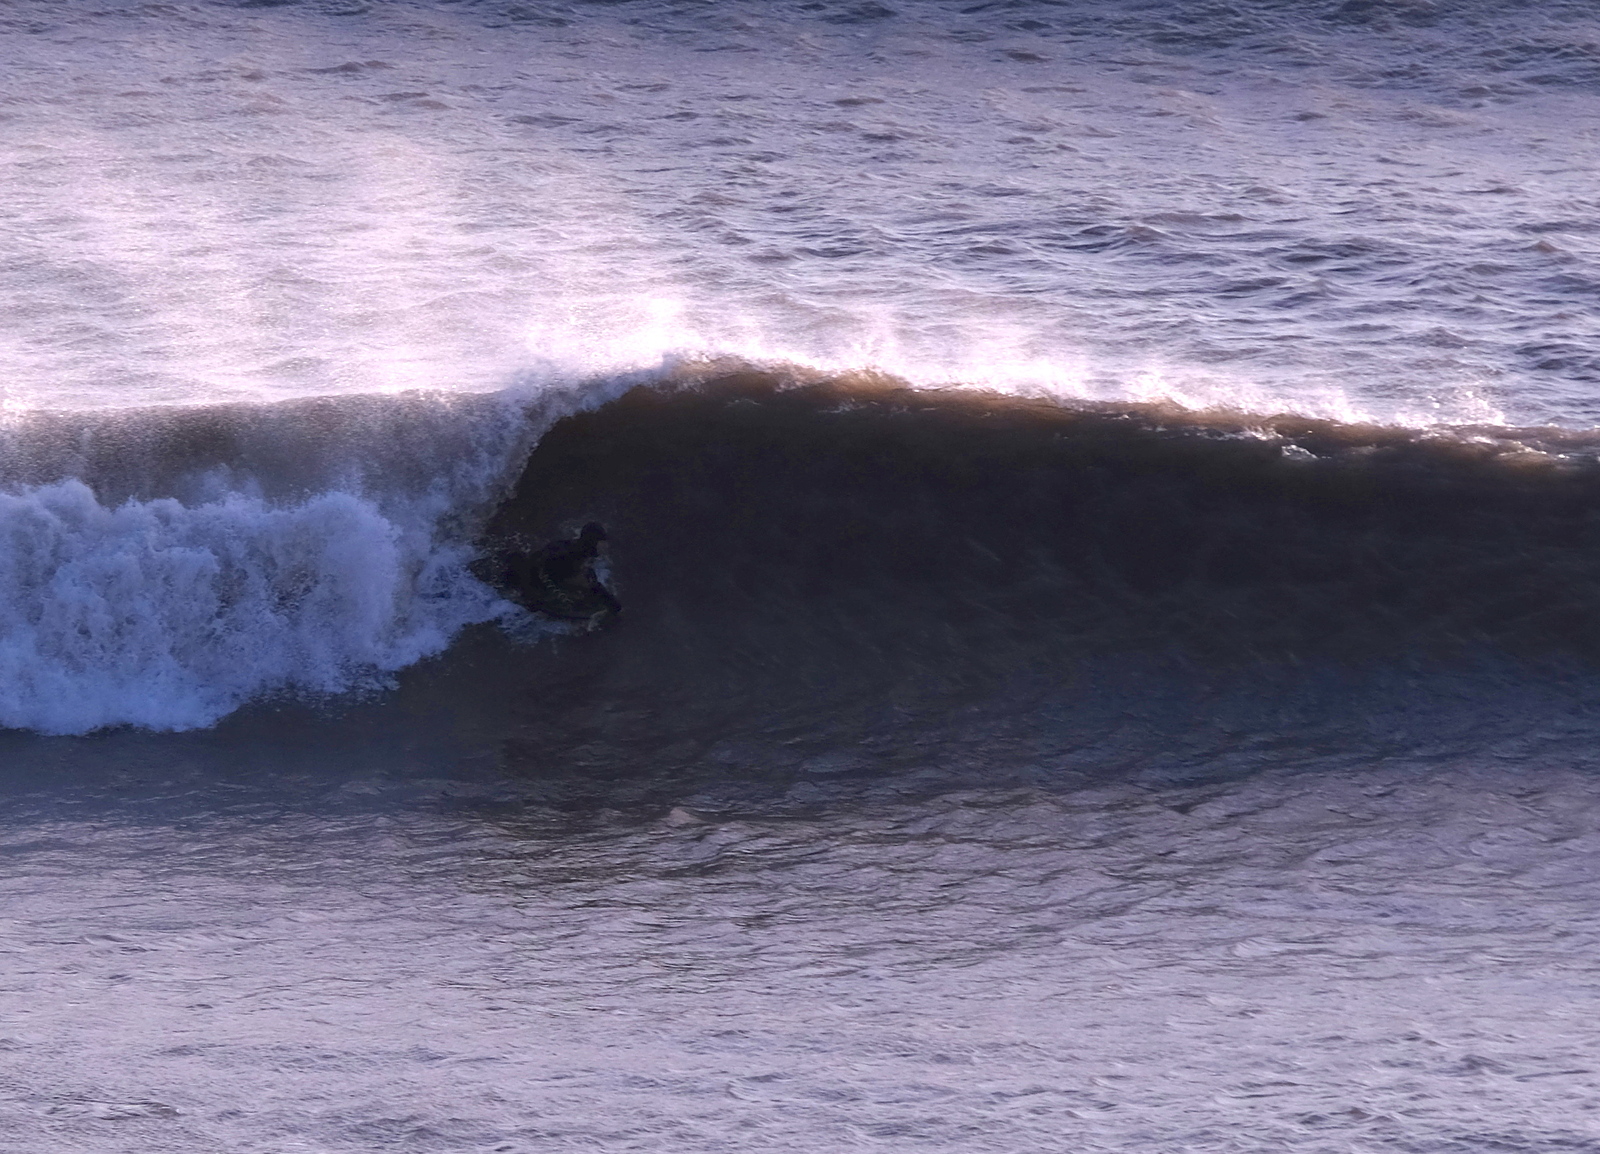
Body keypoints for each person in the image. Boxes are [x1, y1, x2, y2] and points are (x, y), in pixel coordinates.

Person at [510, 522, 621, 622]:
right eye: (601, 542)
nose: (606, 546)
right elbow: (587, 584)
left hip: (537, 570)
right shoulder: (569, 560)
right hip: (532, 581)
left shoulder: (576, 548)